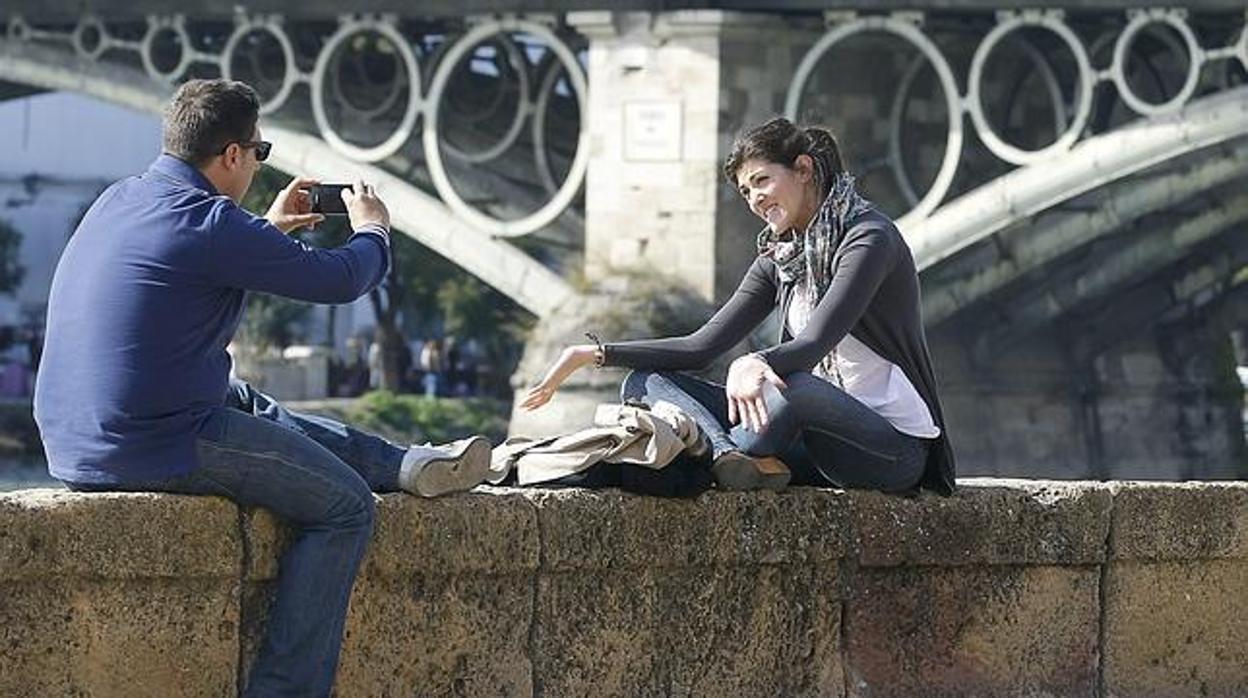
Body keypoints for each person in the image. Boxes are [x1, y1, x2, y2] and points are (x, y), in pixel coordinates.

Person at [32, 79, 492, 696]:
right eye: (260, 150)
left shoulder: (121, 198)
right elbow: (341, 279)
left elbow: (197, 256)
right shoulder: (213, 224)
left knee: (247, 399)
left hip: (72, 435)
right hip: (152, 442)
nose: (257, 161)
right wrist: (374, 230)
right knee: (347, 509)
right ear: (231, 155)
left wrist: (266, 230)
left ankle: (406, 463)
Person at [521, 117, 955, 496]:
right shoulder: (780, 258)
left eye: (762, 181)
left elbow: (815, 343)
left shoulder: (868, 238)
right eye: (746, 192)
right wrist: (595, 355)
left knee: (795, 388)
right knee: (644, 383)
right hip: (813, 447)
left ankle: (721, 452)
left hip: (890, 450)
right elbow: (701, 346)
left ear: (803, 169)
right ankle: (733, 457)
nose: (755, 199)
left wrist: (752, 363)